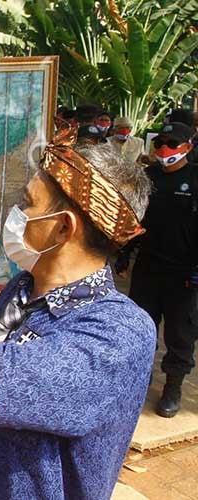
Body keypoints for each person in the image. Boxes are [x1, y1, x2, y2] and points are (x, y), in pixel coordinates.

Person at [0, 130, 155, 499]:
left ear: (64, 227)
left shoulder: (119, 332)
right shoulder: (24, 288)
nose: (17, 214)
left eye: (28, 203)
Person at [117, 122, 197, 418]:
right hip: (148, 268)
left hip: (184, 275)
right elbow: (133, 220)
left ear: (188, 147)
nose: (164, 149)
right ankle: (140, 380)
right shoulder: (148, 177)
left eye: (172, 144)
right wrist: (124, 256)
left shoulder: (195, 179)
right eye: (160, 143)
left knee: (180, 333)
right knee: (141, 327)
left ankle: (173, 387)